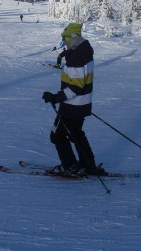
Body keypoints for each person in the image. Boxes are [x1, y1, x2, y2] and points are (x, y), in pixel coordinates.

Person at [42, 23, 102, 176]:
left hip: (72, 106)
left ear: (73, 38)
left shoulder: (76, 57)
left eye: (65, 38)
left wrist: (56, 97)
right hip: (82, 103)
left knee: (57, 136)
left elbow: (75, 87)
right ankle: (87, 164)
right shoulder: (83, 51)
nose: (64, 41)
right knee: (76, 133)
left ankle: (70, 166)